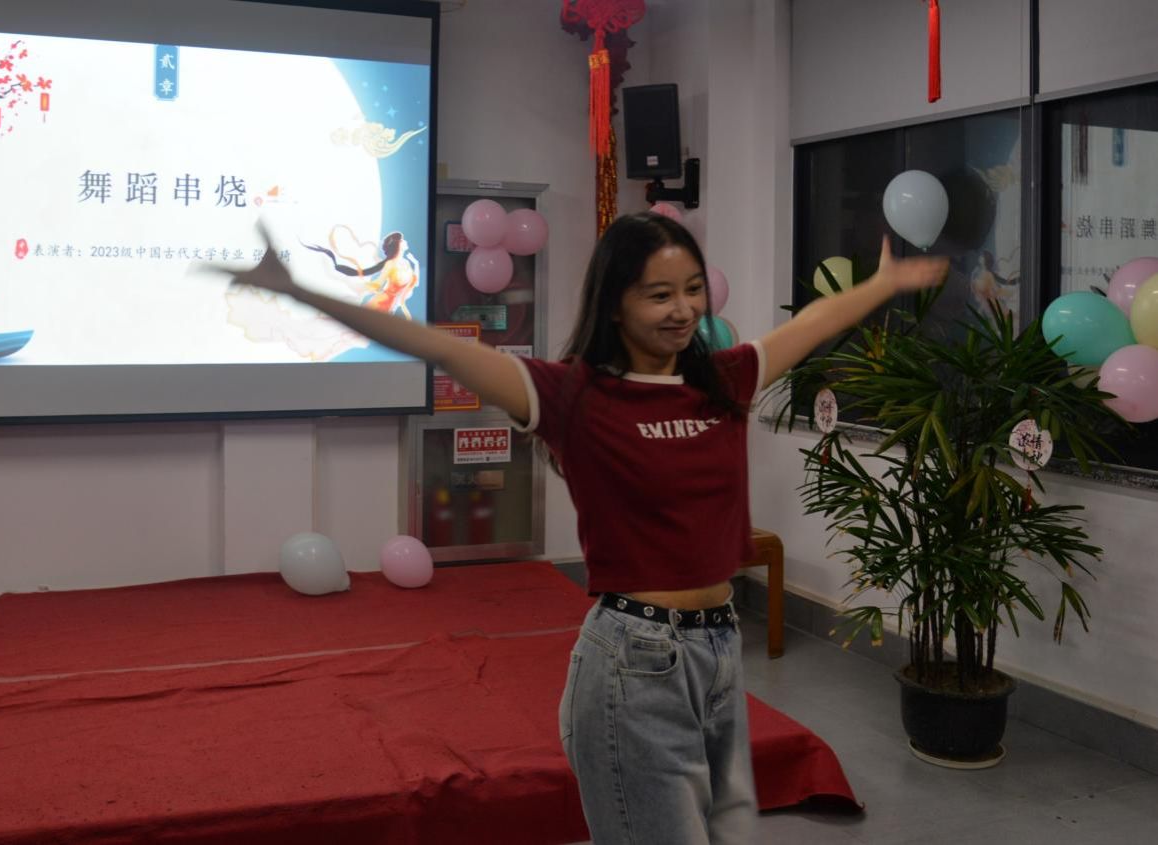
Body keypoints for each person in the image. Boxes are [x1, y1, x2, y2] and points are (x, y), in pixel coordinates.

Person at [208, 212, 946, 844]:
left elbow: (811, 325)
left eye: (692, 289)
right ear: (615, 303)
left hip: (720, 652)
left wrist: (881, 285)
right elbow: (438, 347)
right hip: (635, 659)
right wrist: (301, 292)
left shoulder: (724, 381)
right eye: (659, 294)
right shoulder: (573, 395)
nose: (683, 309)